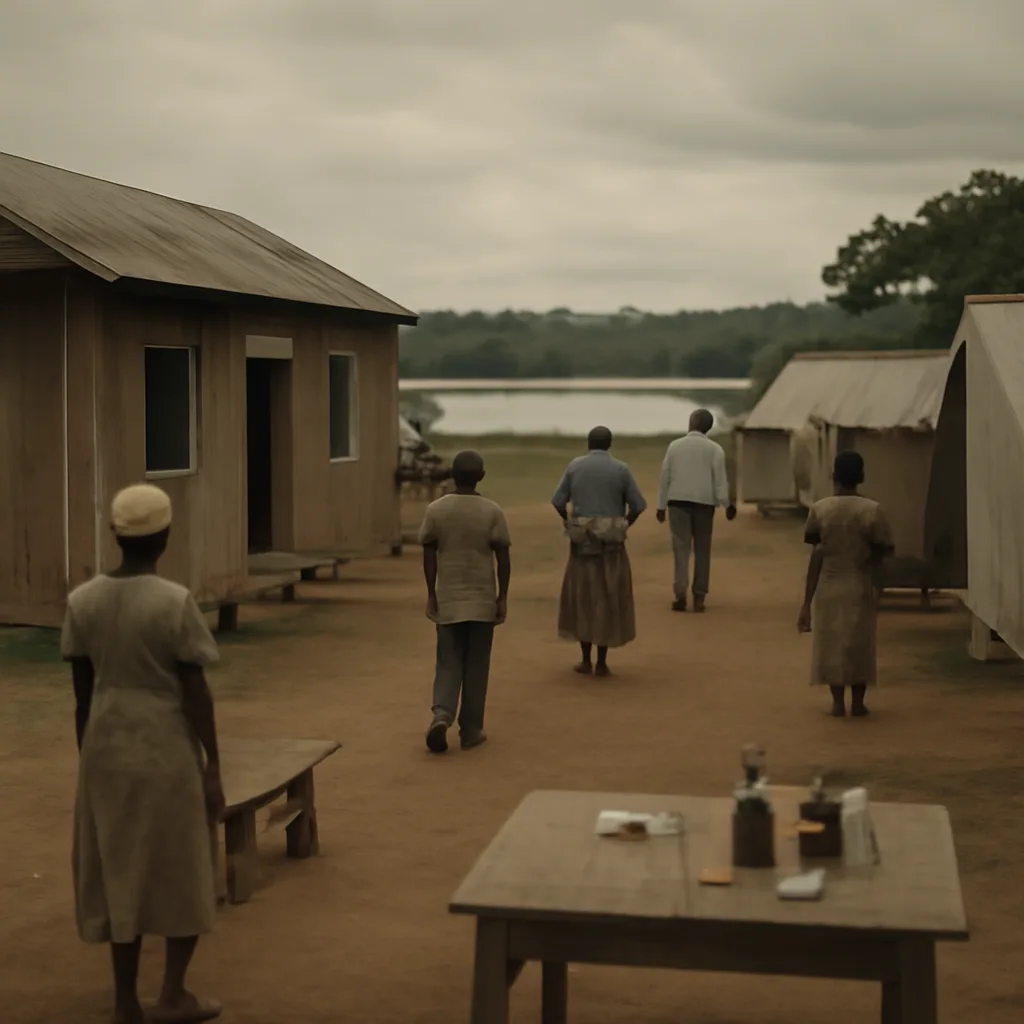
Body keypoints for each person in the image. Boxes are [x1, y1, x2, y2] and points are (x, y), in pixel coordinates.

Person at [61, 484, 223, 1024]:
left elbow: (82, 696)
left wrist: (90, 761)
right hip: (164, 742)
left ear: (115, 533)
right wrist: (214, 766)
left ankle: (126, 1002)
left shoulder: (82, 601)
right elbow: (196, 691)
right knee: (183, 862)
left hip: (106, 742)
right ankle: (173, 993)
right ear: (166, 536)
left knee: (119, 866)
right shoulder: (173, 602)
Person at [420, 450, 511, 753]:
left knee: (448, 660)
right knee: (477, 665)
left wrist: (432, 593)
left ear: (451, 474)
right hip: (482, 601)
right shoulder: (492, 511)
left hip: (450, 599)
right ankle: (471, 730)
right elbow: (503, 557)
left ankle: (442, 715)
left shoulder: (436, 510)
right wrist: (502, 597)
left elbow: (429, 553)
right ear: (481, 476)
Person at [797, 450, 894, 717]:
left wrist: (806, 603)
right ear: (861, 476)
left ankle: (837, 703)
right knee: (859, 643)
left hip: (828, 584)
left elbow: (816, 556)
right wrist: (879, 585)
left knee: (831, 643)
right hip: (859, 583)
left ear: (834, 476)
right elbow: (883, 551)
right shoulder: (872, 510)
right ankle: (858, 703)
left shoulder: (820, 510)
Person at [551, 425, 647, 676]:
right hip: (611, 545)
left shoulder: (575, 466)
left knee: (583, 596)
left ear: (589, 443)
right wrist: (623, 524)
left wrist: (569, 522)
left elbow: (558, 501)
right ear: (609, 444)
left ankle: (585, 660)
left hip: (582, 544)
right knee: (608, 596)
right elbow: (638, 505)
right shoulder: (621, 469)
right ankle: (602, 662)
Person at [655, 408, 736, 612]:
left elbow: (665, 477)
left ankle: (680, 594)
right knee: (702, 550)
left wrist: (661, 506)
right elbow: (720, 481)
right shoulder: (715, 449)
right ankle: (699, 596)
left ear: (691, 422)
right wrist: (727, 504)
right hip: (704, 504)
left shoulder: (674, 446)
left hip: (678, 503)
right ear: (708, 427)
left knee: (680, 549)